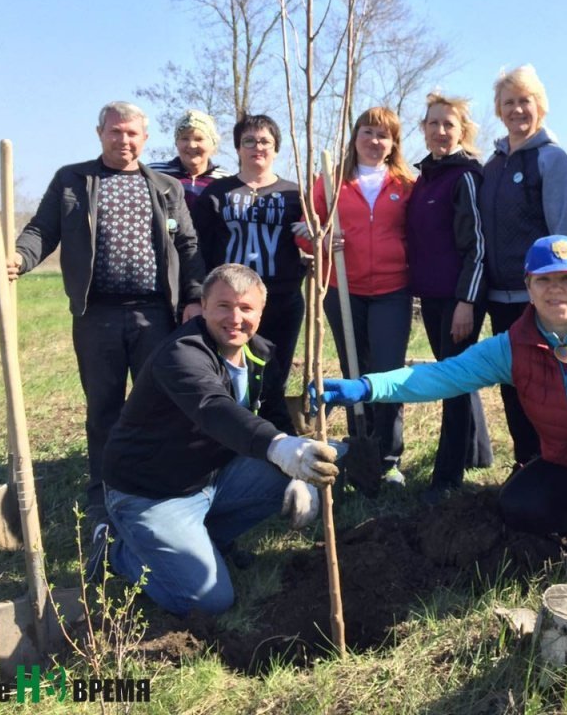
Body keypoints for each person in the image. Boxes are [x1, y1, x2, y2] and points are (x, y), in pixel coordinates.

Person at [313, 236, 567, 564]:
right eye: (545, 280)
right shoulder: (513, 347)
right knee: (518, 503)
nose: (557, 289)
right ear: (528, 285)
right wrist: (366, 387)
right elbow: (440, 376)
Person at [96, 264, 339, 615]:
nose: (235, 318)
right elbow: (214, 408)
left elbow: (273, 415)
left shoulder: (260, 353)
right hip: (151, 493)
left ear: (260, 312)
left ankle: (204, 540)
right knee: (209, 601)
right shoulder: (181, 355)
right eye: (223, 306)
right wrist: (279, 448)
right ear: (203, 307)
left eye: (246, 308)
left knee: (324, 461)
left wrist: (297, 470)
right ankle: (120, 552)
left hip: (212, 477)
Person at [9, 101, 205, 524]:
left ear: (145, 139)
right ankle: (103, 491)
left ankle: (154, 485)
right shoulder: (73, 181)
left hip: (155, 315)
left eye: (132, 133)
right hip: (96, 315)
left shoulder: (166, 188)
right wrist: (20, 258)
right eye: (116, 132)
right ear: (100, 133)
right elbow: (42, 230)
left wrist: (193, 297)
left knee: (159, 403)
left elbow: (188, 246)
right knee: (103, 408)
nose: (124, 140)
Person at [478, 64, 567, 472]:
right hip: (499, 297)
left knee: (548, 388)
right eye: (509, 103)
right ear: (499, 110)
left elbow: (565, 236)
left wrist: (559, 294)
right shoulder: (493, 165)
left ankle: (558, 466)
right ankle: (526, 465)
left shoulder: (551, 160)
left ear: (540, 106)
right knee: (513, 385)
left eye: (525, 101)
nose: (518, 109)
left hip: (539, 298)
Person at [304, 107, 416, 484]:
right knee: (354, 371)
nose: (374, 141)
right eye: (367, 132)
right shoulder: (333, 182)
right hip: (343, 289)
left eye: (383, 135)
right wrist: (319, 236)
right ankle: (358, 448)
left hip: (392, 290)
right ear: (355, 138)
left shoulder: (404, 185)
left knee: (388, 372)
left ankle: (388, 458)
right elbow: (303, 228)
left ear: (393, 143)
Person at [406, 93, 492, 504]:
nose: (440, 131)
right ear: (423, 128)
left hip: (460, 298)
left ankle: (446, 479)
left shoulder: (466, 177)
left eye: (449, 125)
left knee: (452, 384)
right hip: (432, 297)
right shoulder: (423, 178)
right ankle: (477, 452)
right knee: (455, 376)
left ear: (463, 131)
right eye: (433, 124)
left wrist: (467, 301)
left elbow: (477, 245)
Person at [193, 114, 307, 389]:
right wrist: (197, 295)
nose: (258, 147)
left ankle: (273, 427)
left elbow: (311, 243)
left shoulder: (296, 194)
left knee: (275, 374)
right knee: (228, 371)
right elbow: (197, 247)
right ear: (238, 148)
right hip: (229, 302)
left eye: (265, 141)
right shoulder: (217, 193)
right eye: (249, 141)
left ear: (276, 148)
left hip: (281, 299)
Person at [148, 109, 232, 217]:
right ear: (176, 142)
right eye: (184, 139)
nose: (191, 145)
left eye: (199, 139)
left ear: (212, 144)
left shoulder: (226, 181)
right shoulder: (155, 173)